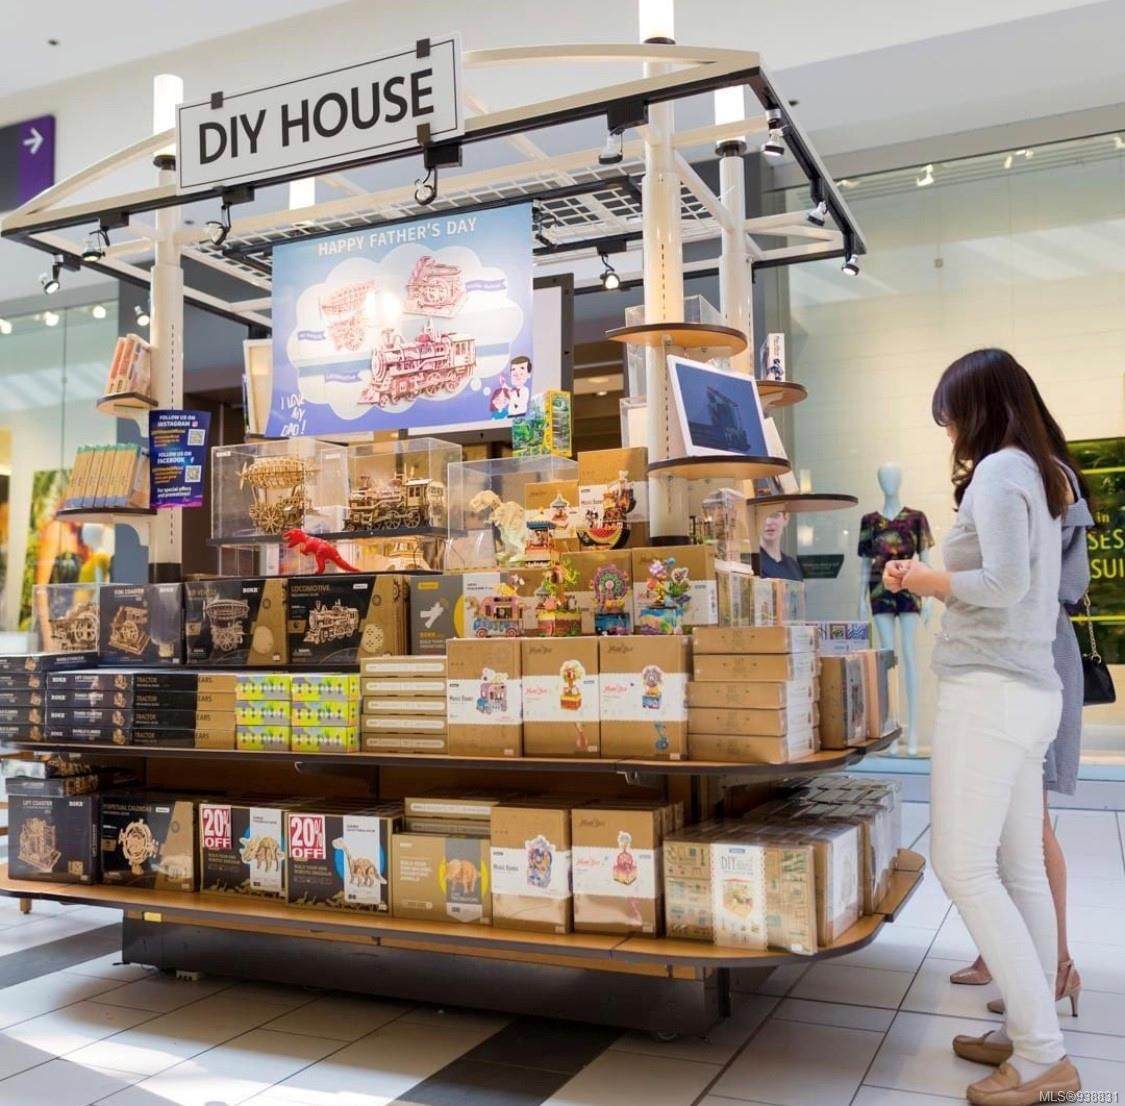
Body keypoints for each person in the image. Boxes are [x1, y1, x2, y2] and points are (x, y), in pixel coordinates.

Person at [883, 349, 1081, 1106]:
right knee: (1019, 867)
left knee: (962, 866)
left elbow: (1002, 584)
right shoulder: (1040, 472)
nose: (949, 433)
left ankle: (1041, 1055)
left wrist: (923, 578)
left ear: (978, 408)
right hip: (1028, 689)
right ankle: (1030, 1029)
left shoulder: (999, 472)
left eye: (951, 417)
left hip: (989, 691)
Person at [949, 403, 1093, 1014]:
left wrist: (950, 581)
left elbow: (1060, 583)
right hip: (1021, 656)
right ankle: (1017, 957)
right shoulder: (1028, 472)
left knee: (1027, 827)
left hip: (1030, 656)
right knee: (1012, 824)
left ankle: (1053, 966)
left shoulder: (1039, 476)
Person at [758, 510, 804, 580]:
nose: (768, 522)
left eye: (774, 515)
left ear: (786, 518)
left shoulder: (793, 566)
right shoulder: (750, 564)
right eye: (762, 516)